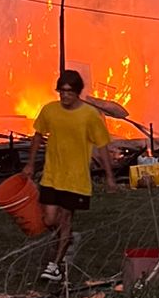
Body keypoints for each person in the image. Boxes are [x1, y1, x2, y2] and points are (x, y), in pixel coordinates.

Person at [23, 69, 116, 283]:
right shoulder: (49, 111)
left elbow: (102, 146)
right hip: (52, 176)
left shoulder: (90, 115)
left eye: (68, 92)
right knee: (49, 219)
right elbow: (38, 136)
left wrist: (109, 176)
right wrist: (30, 164)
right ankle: (66, 239)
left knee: (65, 219)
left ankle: (55, 265)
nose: (64, 96)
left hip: (76, 180)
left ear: (77, 93)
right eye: (61, 92)